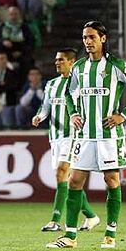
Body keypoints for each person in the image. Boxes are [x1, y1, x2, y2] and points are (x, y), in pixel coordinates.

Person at [46, 21, 126, 249]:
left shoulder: (116, 66)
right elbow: (69, 94)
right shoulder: (79, 67)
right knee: (74, 181)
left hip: (109, 136)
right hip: (84, 136)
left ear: (103, 38)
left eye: (92, 37)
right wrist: (73, 114)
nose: (88, 42)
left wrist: (123, 115)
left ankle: (110, 233)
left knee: (111, 180)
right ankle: (70, 236)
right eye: (84, 38)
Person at [32, 48, 99, 232]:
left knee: (62, 172)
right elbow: (45, 106)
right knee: (69, 179)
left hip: (73, 135)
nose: (57, 62)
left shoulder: (79, 84)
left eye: (61, 60)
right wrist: (39, 117)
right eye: (56, 59)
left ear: (71, 62)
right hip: (55, 136)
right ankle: (91, 216)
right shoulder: (52, 84)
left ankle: (55, 220)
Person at [0, 51, 21, 127]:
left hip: (8, 104)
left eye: (5, 59)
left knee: (7, 126)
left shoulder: (13, 74)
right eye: (1, 59)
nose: (3, 61)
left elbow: (15, 87)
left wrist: (0, 86)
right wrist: (1, 85)